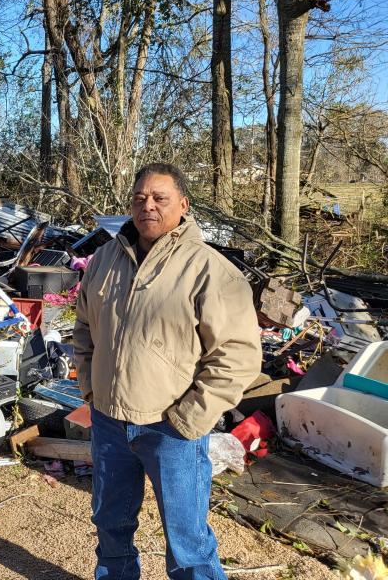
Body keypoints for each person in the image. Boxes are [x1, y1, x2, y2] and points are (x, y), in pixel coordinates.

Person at [72, 163, 262, 580]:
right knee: (111, 526)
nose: (148, 206)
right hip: (108, 422)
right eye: (139, 198)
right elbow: (84, 328)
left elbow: (239, 355)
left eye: (160, 198)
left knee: (187, 541)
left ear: (183, 204)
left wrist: (189, 417)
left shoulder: (210, 270)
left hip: (170, 428)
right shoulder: (104, 260)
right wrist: (89, 388)